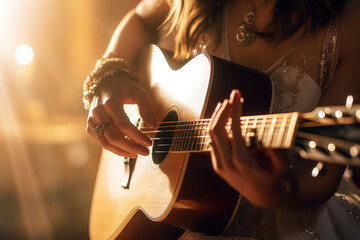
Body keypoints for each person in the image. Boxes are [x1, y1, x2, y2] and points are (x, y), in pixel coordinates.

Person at [84, 0, 360, 239]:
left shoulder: (348, 23)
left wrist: (276, 191)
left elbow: (322, 176)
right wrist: (110, 74)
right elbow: (139, 20)